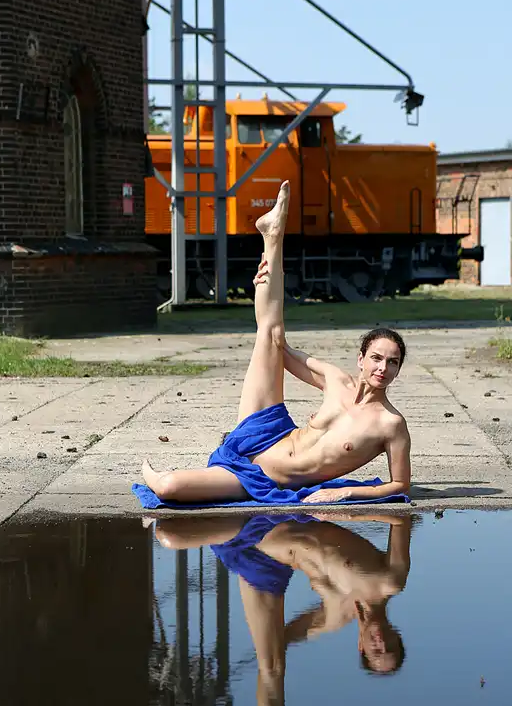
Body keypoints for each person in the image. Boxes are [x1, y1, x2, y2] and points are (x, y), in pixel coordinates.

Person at [141, 180, 411, 506]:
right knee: (272, 333)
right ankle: (273, 234)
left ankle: (158, 476)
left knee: (169, 487)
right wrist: (263, 288)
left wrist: (345, 490)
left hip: (266, 479)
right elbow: (278, 347)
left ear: (398, 369)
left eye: (392, 362)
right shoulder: (336, 381)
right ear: (361, 358)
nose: (383, 367)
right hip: (268, 433)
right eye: (377, 358)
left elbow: (400, 485)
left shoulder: (391, 424)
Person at [152, 512, 413, 706]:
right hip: (271, 527)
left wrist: (272, 644)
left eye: (375, 652)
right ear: (395, 635)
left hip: (265, 564)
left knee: (272, 666)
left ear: (361, 647)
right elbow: (400, 519)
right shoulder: (390, 582)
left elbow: (283, 641)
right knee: (172, 529)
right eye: (388, 646)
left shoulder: (335, 617)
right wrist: (351, 508)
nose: (379, 643)